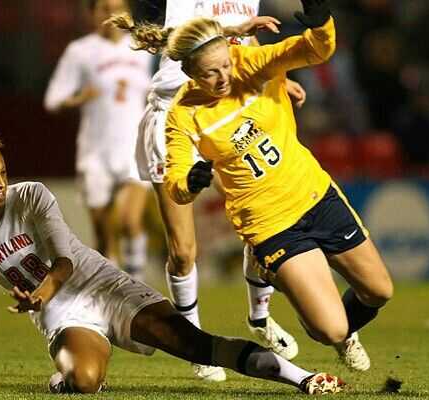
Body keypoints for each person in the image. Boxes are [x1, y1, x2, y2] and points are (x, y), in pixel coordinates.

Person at [0, 115, 344, 395]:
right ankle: (69, 376)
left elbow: (64, 263)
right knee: (85, 382)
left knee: (197, 346)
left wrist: (40, 293)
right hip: (63, 315)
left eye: (2, 172)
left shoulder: (31, 196)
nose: (0, 182)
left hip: (103, 285)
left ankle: (303, 378)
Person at [115, 0, 394, 372]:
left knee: (379, 291)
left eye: (225, 66)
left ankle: (312, 310)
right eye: (211, 73)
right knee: (330, 329)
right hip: (271, 223)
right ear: (190, 72)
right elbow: (177, 181)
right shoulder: (183, 114)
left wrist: (321, 23)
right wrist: (190, 183)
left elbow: (313, 49)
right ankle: (274, 297)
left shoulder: (249, 64)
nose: (224, 78)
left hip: (314, 194)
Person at [124, 0, 304, 381]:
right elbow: (178, 41)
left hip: (228, 111)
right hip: (173, 115)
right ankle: (195, 345)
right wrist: (231, 31)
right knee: (183, 251)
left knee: (265, 216)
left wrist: (274, 77)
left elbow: (245, 47)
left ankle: (259, 316)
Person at [44, 0, 151, 280]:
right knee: (104, 237)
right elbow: (53, 99)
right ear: (91, 14)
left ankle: (137, 286)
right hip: (95, 152)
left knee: (129, 220)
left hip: (134, 149)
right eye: (104, 8)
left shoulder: (144, 47)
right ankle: (113, 290)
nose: (112, 15)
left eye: (118, 7)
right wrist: (79, 98)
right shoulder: (80, 51)